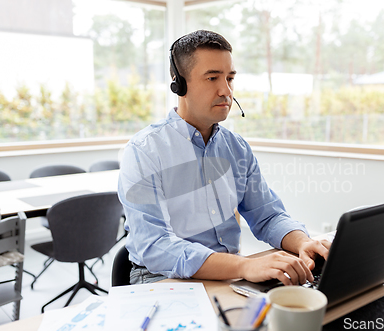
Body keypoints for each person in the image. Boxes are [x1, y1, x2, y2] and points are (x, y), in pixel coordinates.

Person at [118, 30, 330, 285]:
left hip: (227, 273)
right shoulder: (143, 151)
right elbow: (155, 246)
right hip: (160, 278)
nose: (226, 90)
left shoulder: (236, 147)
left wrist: (304, 242)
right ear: (179, 84)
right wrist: (245, 266)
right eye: (212, 78)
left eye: (230, 78)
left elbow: (268, 216)